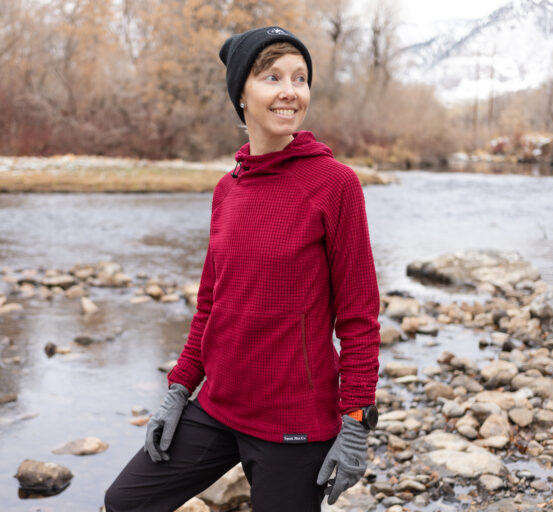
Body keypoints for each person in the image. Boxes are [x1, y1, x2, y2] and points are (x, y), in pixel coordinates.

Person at [104, 26, 380, 512]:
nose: (290, 91)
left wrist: (356, 420)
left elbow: (358, 315)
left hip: (294, 423)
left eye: (300, 78)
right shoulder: (228, 190)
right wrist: (178, 389)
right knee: (125, 502)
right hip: (218, 408)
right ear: (241, 95)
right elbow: (212, 303)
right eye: (272, 76)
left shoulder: (335, 185)